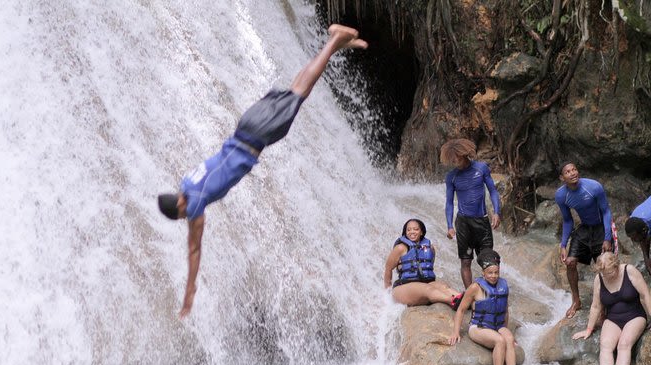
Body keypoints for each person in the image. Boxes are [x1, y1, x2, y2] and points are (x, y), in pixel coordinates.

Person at [157, 25, 368, 318]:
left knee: (301, 92)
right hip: (246, 125)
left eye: (183, 215)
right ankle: (337, 44)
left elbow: (194, 249)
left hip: (257, 136)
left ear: (181, 206)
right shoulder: (187, 183)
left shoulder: (194, 203)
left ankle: (334, 39)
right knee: (296, 88)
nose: (188, 218)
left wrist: (190, 291)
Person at [555, 162, 614, 318]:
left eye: (574, 169)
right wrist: (563, 245)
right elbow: (568, 221)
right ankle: (576, 301)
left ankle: (607, 304)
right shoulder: (561, 195)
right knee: (570, 262)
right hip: (584, 228)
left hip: (601, 227)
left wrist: (607, 237)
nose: (573, 173)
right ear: (562, 177)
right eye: (568, 172)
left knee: (604, 266)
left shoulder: (594, 187)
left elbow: (606, 211)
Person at [572, 252, 650, 365]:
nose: (607, 276)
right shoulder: (599, 279)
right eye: (604, 274)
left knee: (623, 345)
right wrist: (588, 329)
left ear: (616, 265)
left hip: (635, 316)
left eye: (610, 272)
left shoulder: (630, 271)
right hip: (613, 319)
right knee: (605, 346)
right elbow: (595, 306)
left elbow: (645, 294)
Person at [442, 139, 502, 289]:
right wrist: (449, 226)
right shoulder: (451, 177)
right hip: (463, 223)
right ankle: (471, 295)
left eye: (458, 158)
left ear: (465, 154)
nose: (456, 162)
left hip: (481, 221)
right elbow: (449, 202)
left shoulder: (481, 168)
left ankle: (491, 291)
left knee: (489, 259)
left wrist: (496, 212)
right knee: (465, 261)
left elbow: (493, 191)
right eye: (453, 160)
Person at [448, 249, 516, 365]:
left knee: (509, 339)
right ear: (483, 272)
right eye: (490, 273)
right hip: (479, 328)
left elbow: (505, 311)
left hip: (497, 326)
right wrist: (455, 332)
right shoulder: (475, 288)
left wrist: (505, 328)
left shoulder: (503, 285)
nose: (494, 276)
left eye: (496, 272)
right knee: (499, 341)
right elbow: (461, 310)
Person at [383, 218, 464, 308]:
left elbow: (429, 266)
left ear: (421, 232)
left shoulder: (430, 248)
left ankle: (464, 300)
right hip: (403, 287)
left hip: (425, 283)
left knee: (444, 287)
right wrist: (388, 293)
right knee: (427, 289)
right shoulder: (400, 248)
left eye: (416, 229)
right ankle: (452, 301)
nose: (412, 232)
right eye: (408, 230)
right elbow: (388, 269)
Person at [625, 196, 651, 275]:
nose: (633, 240)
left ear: (644, 231)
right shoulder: (633, 221)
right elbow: (643, 240)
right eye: (631, 238)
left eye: (635, 237)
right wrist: (647, 260)